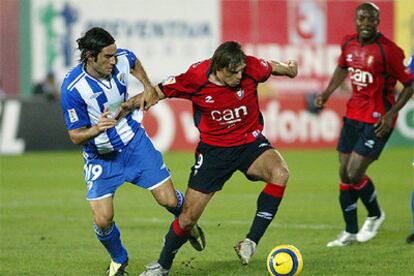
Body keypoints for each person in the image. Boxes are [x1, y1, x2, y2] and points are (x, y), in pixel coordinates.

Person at [122, 41, 298, 275]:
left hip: (250, 144)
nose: (239, 75)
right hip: (214, 152)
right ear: (218, 68)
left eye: (241, 70)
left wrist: (290, 68)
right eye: (233, 72)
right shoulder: (195, 77)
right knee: (187, 219)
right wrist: (128, 105)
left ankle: (251, 242)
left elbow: (274, 67)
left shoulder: (251, 67)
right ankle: (162, 266)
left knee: (280, 173)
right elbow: (158, 92)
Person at [60, 27, 204, 276]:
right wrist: (96, 129)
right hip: (101, 157)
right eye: (107, 56)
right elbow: (75, 136)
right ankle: (119, 258)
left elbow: (133, 60)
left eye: (114, 55)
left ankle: (187, 222)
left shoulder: (121, 60)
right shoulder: (73, 89)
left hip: (134, 144)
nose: (113, 60)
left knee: (168, 200)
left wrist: (147, 85)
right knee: (103, 220)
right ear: (90, 56)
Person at [314, 3, 414, 247]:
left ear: (378, 21)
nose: (366, 23)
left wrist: (391, 115)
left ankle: (375, 214)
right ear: (356, 20)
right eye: (362, 19)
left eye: (371, 19)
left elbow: (410, 83)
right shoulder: (349, 43)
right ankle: (349, 232)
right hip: (353, 115)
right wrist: (327, 93)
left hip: (378, 119)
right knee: (344, 172)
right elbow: (341, 68)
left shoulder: (389, 51)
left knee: (354, 172)